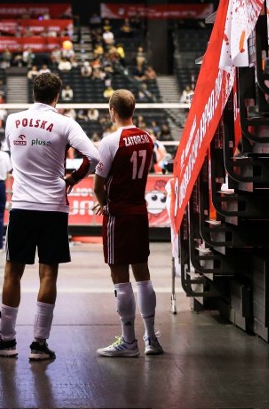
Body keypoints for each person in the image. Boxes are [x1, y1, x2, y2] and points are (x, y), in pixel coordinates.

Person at [0, 72, 100, 361]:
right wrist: (72, 179)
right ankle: (39, 345)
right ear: (57, 96)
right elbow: (94, 156)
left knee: (12, 273)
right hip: (53, 208)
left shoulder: (12, 120)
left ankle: (6, 341)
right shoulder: (65, 123)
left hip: (22, 206)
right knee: (48, 274)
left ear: (34, 93)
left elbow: (19, 153)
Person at [92, 89, 164, 357]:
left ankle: (128, 341)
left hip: (118, 214)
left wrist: (105, 203)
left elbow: (98, 185)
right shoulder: (148, 138)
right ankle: (151, 339)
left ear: (112, 110)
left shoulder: (110, 142)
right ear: (133, 110)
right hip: (139, 210)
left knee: (119, 276)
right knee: (143, 274)